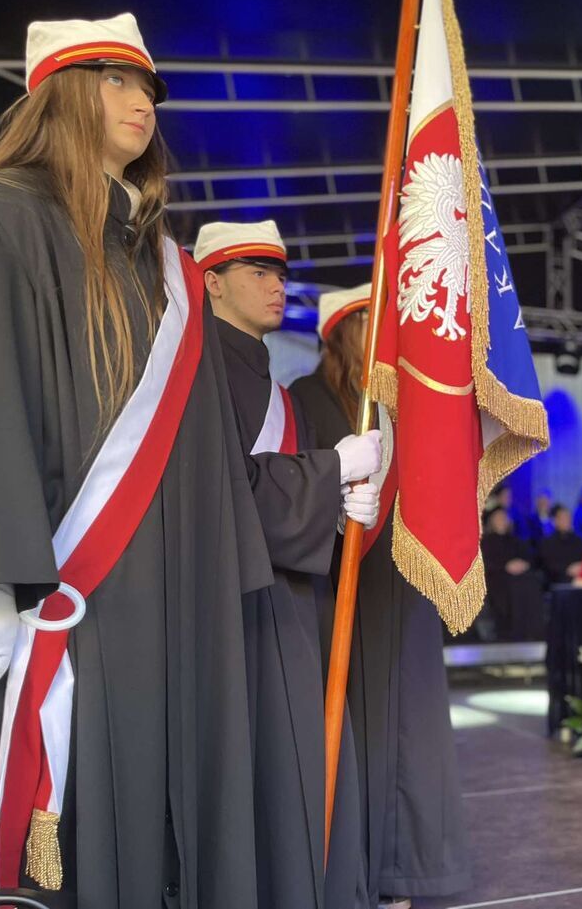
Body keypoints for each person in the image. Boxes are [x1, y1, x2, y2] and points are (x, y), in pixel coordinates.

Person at [0, 13, 274, 905]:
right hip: (42, 603)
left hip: (162, 612)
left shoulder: (167, 271)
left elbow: (203, 454)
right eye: (115, 79)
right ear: (62, 93)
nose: (142, 100)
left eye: (147, 86)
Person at [196, 219, 379, 908]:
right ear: (213, 283)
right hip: (236, 607)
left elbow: (274, 488)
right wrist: (330, 469)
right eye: (256, 272)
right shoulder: (195, 373)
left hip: (293, 602)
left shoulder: (270, 383)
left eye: (279, 273)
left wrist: (336, 506)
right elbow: (221, 491)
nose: (277, 285)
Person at [290, 284, 471, 904]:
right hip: (341, 582)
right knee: (353, 730)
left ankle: (406, 870)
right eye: (368, 318)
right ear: (341, 330)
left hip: (402, 581)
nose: (382, 329)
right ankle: (351, 871)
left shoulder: (400, 403)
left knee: (411, 729)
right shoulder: (306, 398)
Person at [480, 508, 544, 640]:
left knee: (531, 582)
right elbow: (486, 564)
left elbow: (529, 557)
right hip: (497, 578)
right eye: (498, 518)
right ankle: (514, 633)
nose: (502, 520)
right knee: (514, 586)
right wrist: (505, 567)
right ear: (491, 521)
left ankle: (534, 632)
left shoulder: (515, 540)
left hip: (520, 576)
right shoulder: (485, 542)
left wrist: (523, 564)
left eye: (504, 517)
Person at [538, 505, 582, 586]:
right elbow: (547, 565)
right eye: (563, 518)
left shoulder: (580, 541)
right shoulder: (547, 543)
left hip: (579, 579)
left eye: (568, 518)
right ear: (555, 521)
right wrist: (568, 569)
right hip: (557, 582)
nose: (567, 521)